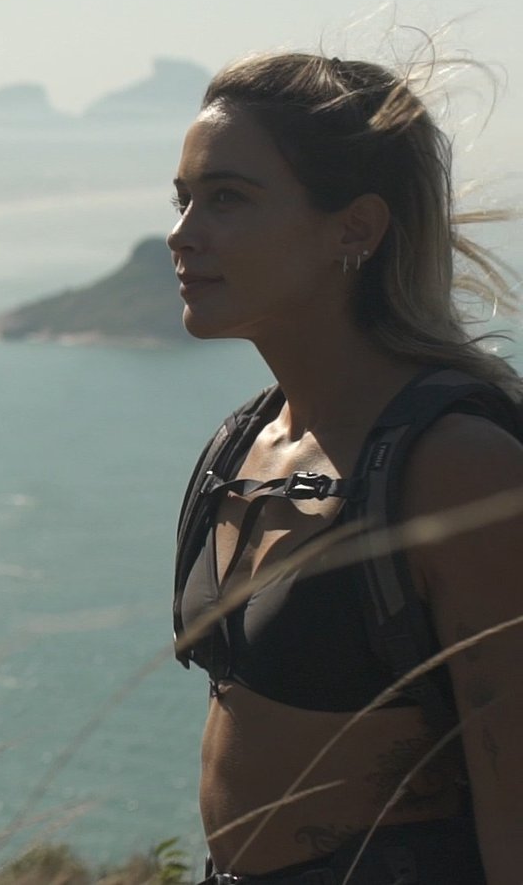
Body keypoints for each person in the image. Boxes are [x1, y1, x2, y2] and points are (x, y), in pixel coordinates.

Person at [167, 51, 523, 883]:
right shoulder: (240, 448)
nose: (183, 234)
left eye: (227, 199)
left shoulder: (456, 468)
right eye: (183, 199)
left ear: (354, 229)